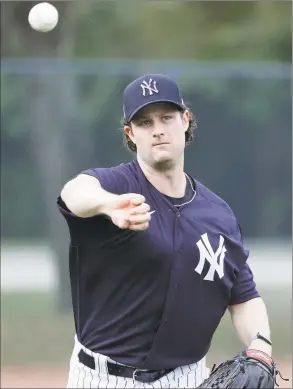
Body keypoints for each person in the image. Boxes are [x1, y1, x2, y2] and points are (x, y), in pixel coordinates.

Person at [57, 74, 273, 389]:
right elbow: (74, 193)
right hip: (104, 379)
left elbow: (242, 296)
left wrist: (261, 346)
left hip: (188, 379)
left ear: (185, 121)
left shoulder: (218, 215)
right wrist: (108, 205)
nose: (158, 129)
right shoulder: (116, 188)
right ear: (131, 134)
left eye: (166, 117)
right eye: (145, 123)